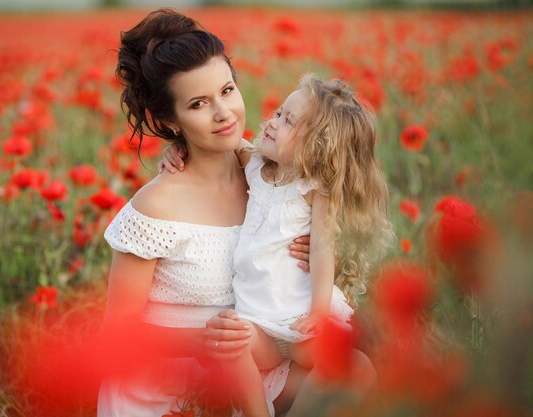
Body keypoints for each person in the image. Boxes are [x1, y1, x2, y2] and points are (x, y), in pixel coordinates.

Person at [97, 9, 312, 417]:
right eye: (198, 104)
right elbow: (117, 335)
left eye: (227, 91)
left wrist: (315, 248)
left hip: (250, 370)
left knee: (355, 371)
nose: (224, 113)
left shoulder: (266, 179)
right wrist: (208, 341)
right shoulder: (156, 206)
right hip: (165, 391)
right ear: (169, 121)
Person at [161, 74, 392, 416]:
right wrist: (178, 146)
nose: (272, 122)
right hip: (258, 321)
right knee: (232, 339)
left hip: (300, 319)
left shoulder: (313, 189)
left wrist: (318, 312)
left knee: (343, 360)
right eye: (279, 113)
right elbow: (217, 145)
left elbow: (322, 249)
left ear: (317, 147)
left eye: (288, 121)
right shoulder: (254, 164)